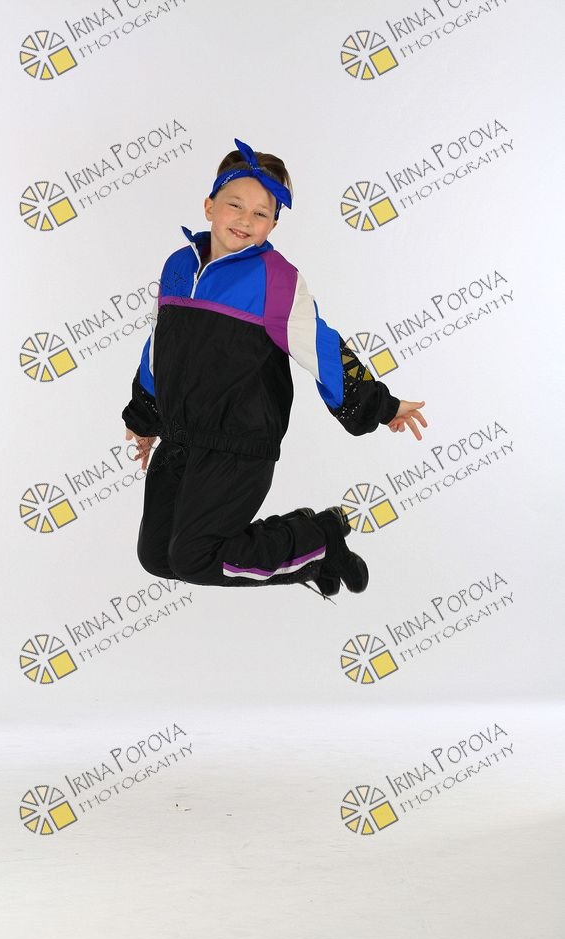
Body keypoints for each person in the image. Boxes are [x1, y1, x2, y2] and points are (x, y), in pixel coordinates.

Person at [122, 138, 426, 599]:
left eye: (261, 213)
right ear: (209, 206)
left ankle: (319, 537)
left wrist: (380, 406)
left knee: (194, 556)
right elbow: (159, 345)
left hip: (239, 442)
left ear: (274, 224)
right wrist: (145, 418)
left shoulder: (274, 278)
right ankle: (312, 551)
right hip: (182, 435)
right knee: (158, 556)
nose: (245, 220)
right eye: (234, 205)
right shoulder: (179, 267)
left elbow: (321, 347)